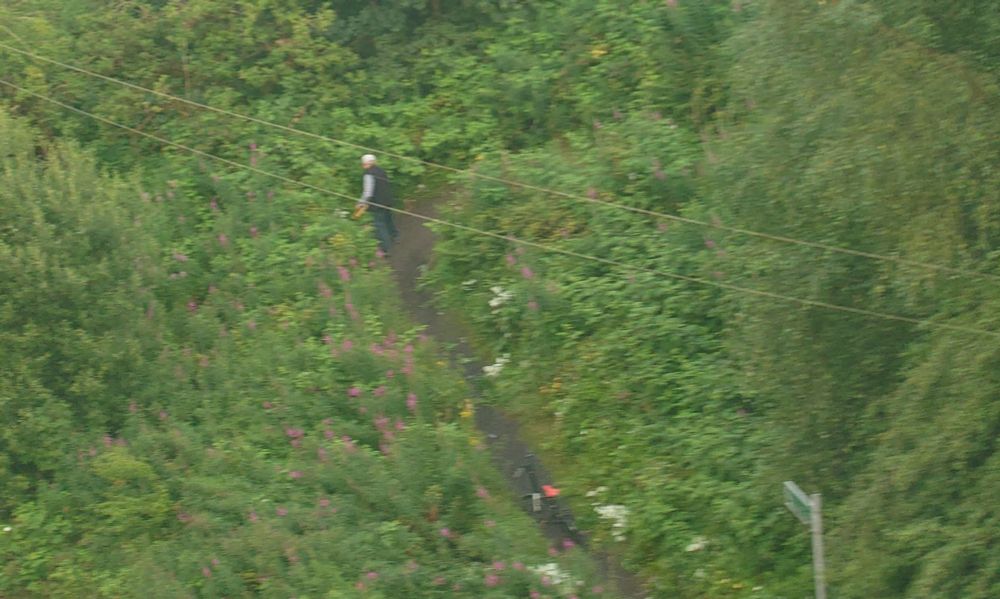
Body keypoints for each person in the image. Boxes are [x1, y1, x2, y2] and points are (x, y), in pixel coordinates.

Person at [357, 154, 398, 254]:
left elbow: (368, 192)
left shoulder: (368, 174)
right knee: (388, 219)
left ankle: (386, 248)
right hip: (387, 200)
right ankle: (395, 236)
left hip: (377, 203)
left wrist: (361, 203)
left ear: (365, 164)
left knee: (380, 225)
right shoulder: (381, 170)